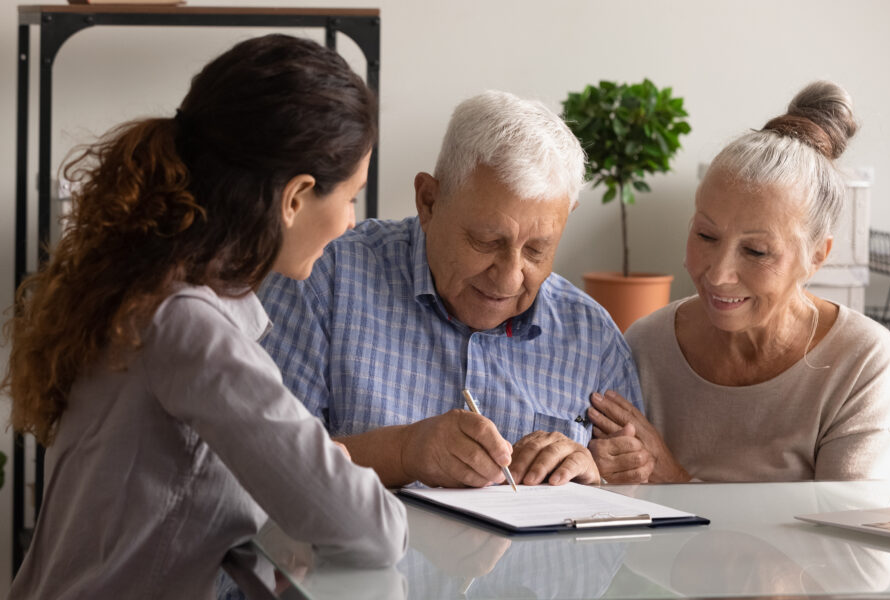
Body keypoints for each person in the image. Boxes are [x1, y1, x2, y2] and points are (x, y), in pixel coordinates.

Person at [0, 34, 407, 599]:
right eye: (353, 196)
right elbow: (374, 532)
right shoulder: (191, 329)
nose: (351, 222)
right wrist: (334, 475)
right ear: (295, 197)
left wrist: (318, 471)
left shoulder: (149, 291)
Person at [259, 90, 644, 489]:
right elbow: (256, 465)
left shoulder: (594, 340)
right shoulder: (323, 281)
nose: (509, 278)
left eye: (536, 250)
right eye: (486, 241)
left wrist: (598, 479)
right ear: (428, 201)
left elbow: (639, 503)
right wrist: (403, 452)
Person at [587, 81, 890, 483]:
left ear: (817, 255)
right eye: (705, 235)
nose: (718, 274)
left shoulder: (861, 360)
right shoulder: (646, 346)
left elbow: (841, 522)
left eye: (757, 251)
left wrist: (676, 482)